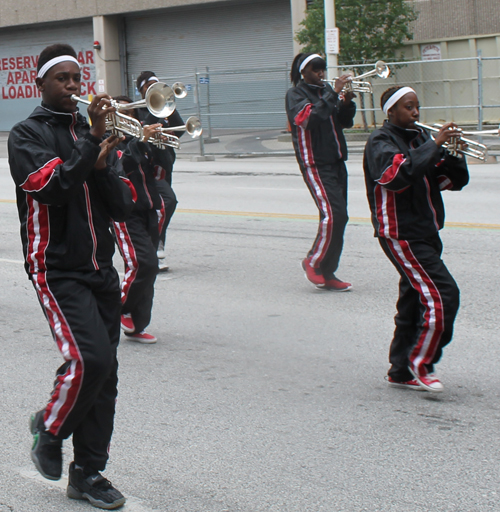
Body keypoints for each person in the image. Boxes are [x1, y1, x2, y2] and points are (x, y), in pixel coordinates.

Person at [8, 43, 135, 509]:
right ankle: (49, 426)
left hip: (102, 267)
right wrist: (90, 146)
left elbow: (124, 205)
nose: (73, 86)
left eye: (77, 79)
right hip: (56, 268)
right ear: (39, 83)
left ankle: (88, 473)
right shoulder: (26, 135)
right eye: (61, 78)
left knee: (107, 376)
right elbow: (54, 187)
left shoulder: (92, 135)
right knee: (90, 361)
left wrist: (104, 162)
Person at [363, 86, 469, 392]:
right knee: (443, 295)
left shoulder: (421, 139)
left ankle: (400, 370)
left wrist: (453, 154)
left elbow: (450, 182)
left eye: (417, 106)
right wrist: (434, 145)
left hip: (427, 230)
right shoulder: (379, 142)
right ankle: (421, 363)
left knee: (413, 301)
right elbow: (396, 177)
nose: (416, 112)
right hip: (401, 233)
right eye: (409, 107)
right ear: (392, 112)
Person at [286, 53, 356, 291]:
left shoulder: (326, 91)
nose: (321, 74)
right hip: (315, 162)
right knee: (333, 214)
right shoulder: (296, 94)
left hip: (337, 161)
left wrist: (346, 104)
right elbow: (309, 118)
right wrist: (333, 94)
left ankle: (328, 271)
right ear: (303, 73)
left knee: (340, 217)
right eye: (316, 70)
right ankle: (313, 262)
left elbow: (343, 123)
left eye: (323, 69)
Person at [112, 96, 163, 344]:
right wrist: (140, 143)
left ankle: (137, 325)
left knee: (149, 271)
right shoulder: (107, 142)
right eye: (120, 113)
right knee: (143, 264)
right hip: (125, 213)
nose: (126, 118)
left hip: (148, 210)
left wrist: (160, 145)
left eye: (129, 113)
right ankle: (113, 310)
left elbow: (162, 172)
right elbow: (119, 167)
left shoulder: (139, 142)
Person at [135, 70, 185, 272]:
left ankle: (156, 246)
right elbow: (139, 133)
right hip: (146, 166)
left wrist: (169, 129)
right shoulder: (138, 111)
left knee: (160, 208)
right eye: (150, 86)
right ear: (142, 90)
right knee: (167, 202)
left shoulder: (166, 109)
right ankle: (154, 246)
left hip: (165, 164)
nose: (155, 89)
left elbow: (181, 128)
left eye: (157, 85)